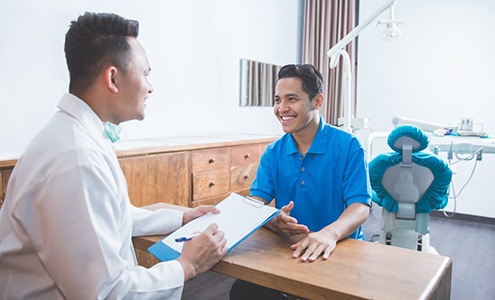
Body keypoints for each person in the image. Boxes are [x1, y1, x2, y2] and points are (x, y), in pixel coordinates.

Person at [0, 12, 227, 299]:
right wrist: (187, 265)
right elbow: (106, 293)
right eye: (145, 73)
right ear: (113, 78)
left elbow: (111, 217)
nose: (150, 86)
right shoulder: (75, 158)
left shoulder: (77, 135)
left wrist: (181, 219)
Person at [229, 64, 372, 299]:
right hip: (289, 248)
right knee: (242, 292)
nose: (281, 108)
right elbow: (256, 199)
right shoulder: (273, 152)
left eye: (291, 99)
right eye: (277, 100)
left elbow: (360, 207)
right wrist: (270, 217)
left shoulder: (348, 146)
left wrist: (329, 234)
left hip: (340, 249)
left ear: (317, 101)